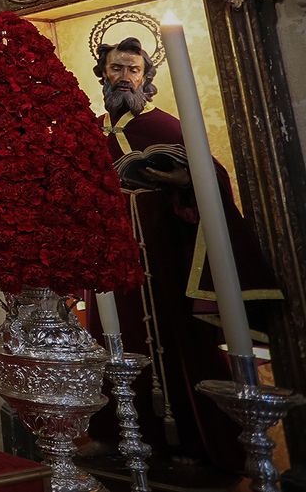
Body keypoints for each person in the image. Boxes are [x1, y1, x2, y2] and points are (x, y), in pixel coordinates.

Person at [88, 37, 280, 471]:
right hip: (113, 258)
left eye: (133, 70)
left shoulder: (165, 126)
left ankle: (196, 442)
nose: (124, 77)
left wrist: (183, 181)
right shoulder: (91, 130)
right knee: (112, 341)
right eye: (116, 68)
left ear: (146, 77)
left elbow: (212, 178)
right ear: (103, 74)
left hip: (164, 258)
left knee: (178, 342)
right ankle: (116, 435)